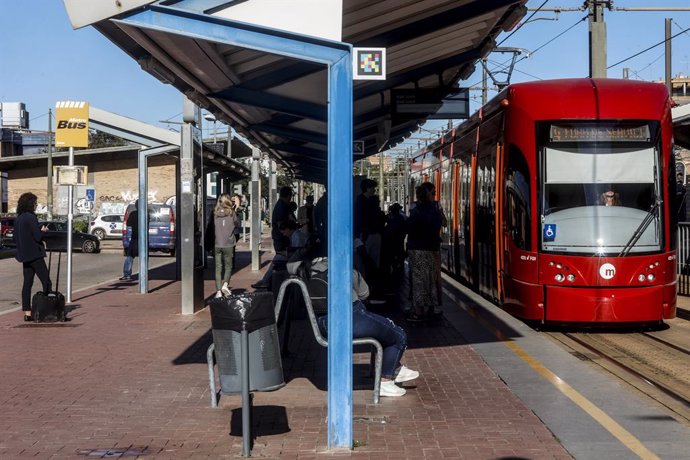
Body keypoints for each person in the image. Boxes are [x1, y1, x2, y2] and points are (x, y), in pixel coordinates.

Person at [311, 257, 420, 397]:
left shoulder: (310, 267)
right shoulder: (345, 266)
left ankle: (396, 368)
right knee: (398, 335)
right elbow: (364, 293)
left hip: (324, 323)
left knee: (383, 331)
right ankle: (386, 381)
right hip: (350, 317)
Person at [406, 182, 447, 322]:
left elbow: (410, 228)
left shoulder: (416, 211)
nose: (435, 196)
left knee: (419, 281)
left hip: (417, 249)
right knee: (430, 280)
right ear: (428, 195)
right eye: (433, 193)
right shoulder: (434, 210)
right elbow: (441, 224)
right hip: (431, 248)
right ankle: (430, 308)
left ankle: (418, 312)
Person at [14, 192, 51, 321]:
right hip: (35, 255)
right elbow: (38, 237)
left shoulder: (18, 218)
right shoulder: (31, 217)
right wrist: (43, 231)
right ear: (30, 204)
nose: (36, 205)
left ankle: (27, 313)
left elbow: (15, 238)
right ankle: (46, 309)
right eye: (35, 203)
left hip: (24, 256)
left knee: (27, 284)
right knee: (46, 282)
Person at [252, 186, 295, 289]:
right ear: (289, 196)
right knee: (280, 258)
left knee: (280, 258)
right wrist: (288, 232)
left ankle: (268, 280)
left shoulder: (281, 205)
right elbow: (281, 225)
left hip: (280, 237)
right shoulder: (282, 207)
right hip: (281, 238)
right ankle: (267, 280)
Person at [211, 194, 240, 298]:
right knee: (228, 266)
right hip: (228, 243)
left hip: (217, 244)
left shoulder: (215, 213)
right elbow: (237, 224)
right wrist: (235, 208)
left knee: (218, 267)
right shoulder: (232, 213)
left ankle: (218, 291)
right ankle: (225, 284)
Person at [120, 200, 140, 281]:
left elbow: (128, 224)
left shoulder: (133, 214)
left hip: (135, 238)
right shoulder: (147, 214)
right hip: (143, 239)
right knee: (143, 257)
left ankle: (127, 274)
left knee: (129, 256)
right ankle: (144, 274)